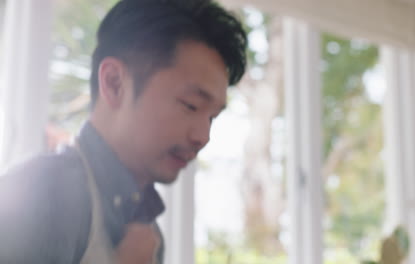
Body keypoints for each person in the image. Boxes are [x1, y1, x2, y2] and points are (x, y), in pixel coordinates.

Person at [0, 0, 247, 263]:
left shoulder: (148, 232)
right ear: (115, 83)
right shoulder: (40, 193)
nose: (203, 137)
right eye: (191, 105)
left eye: (212, 117)